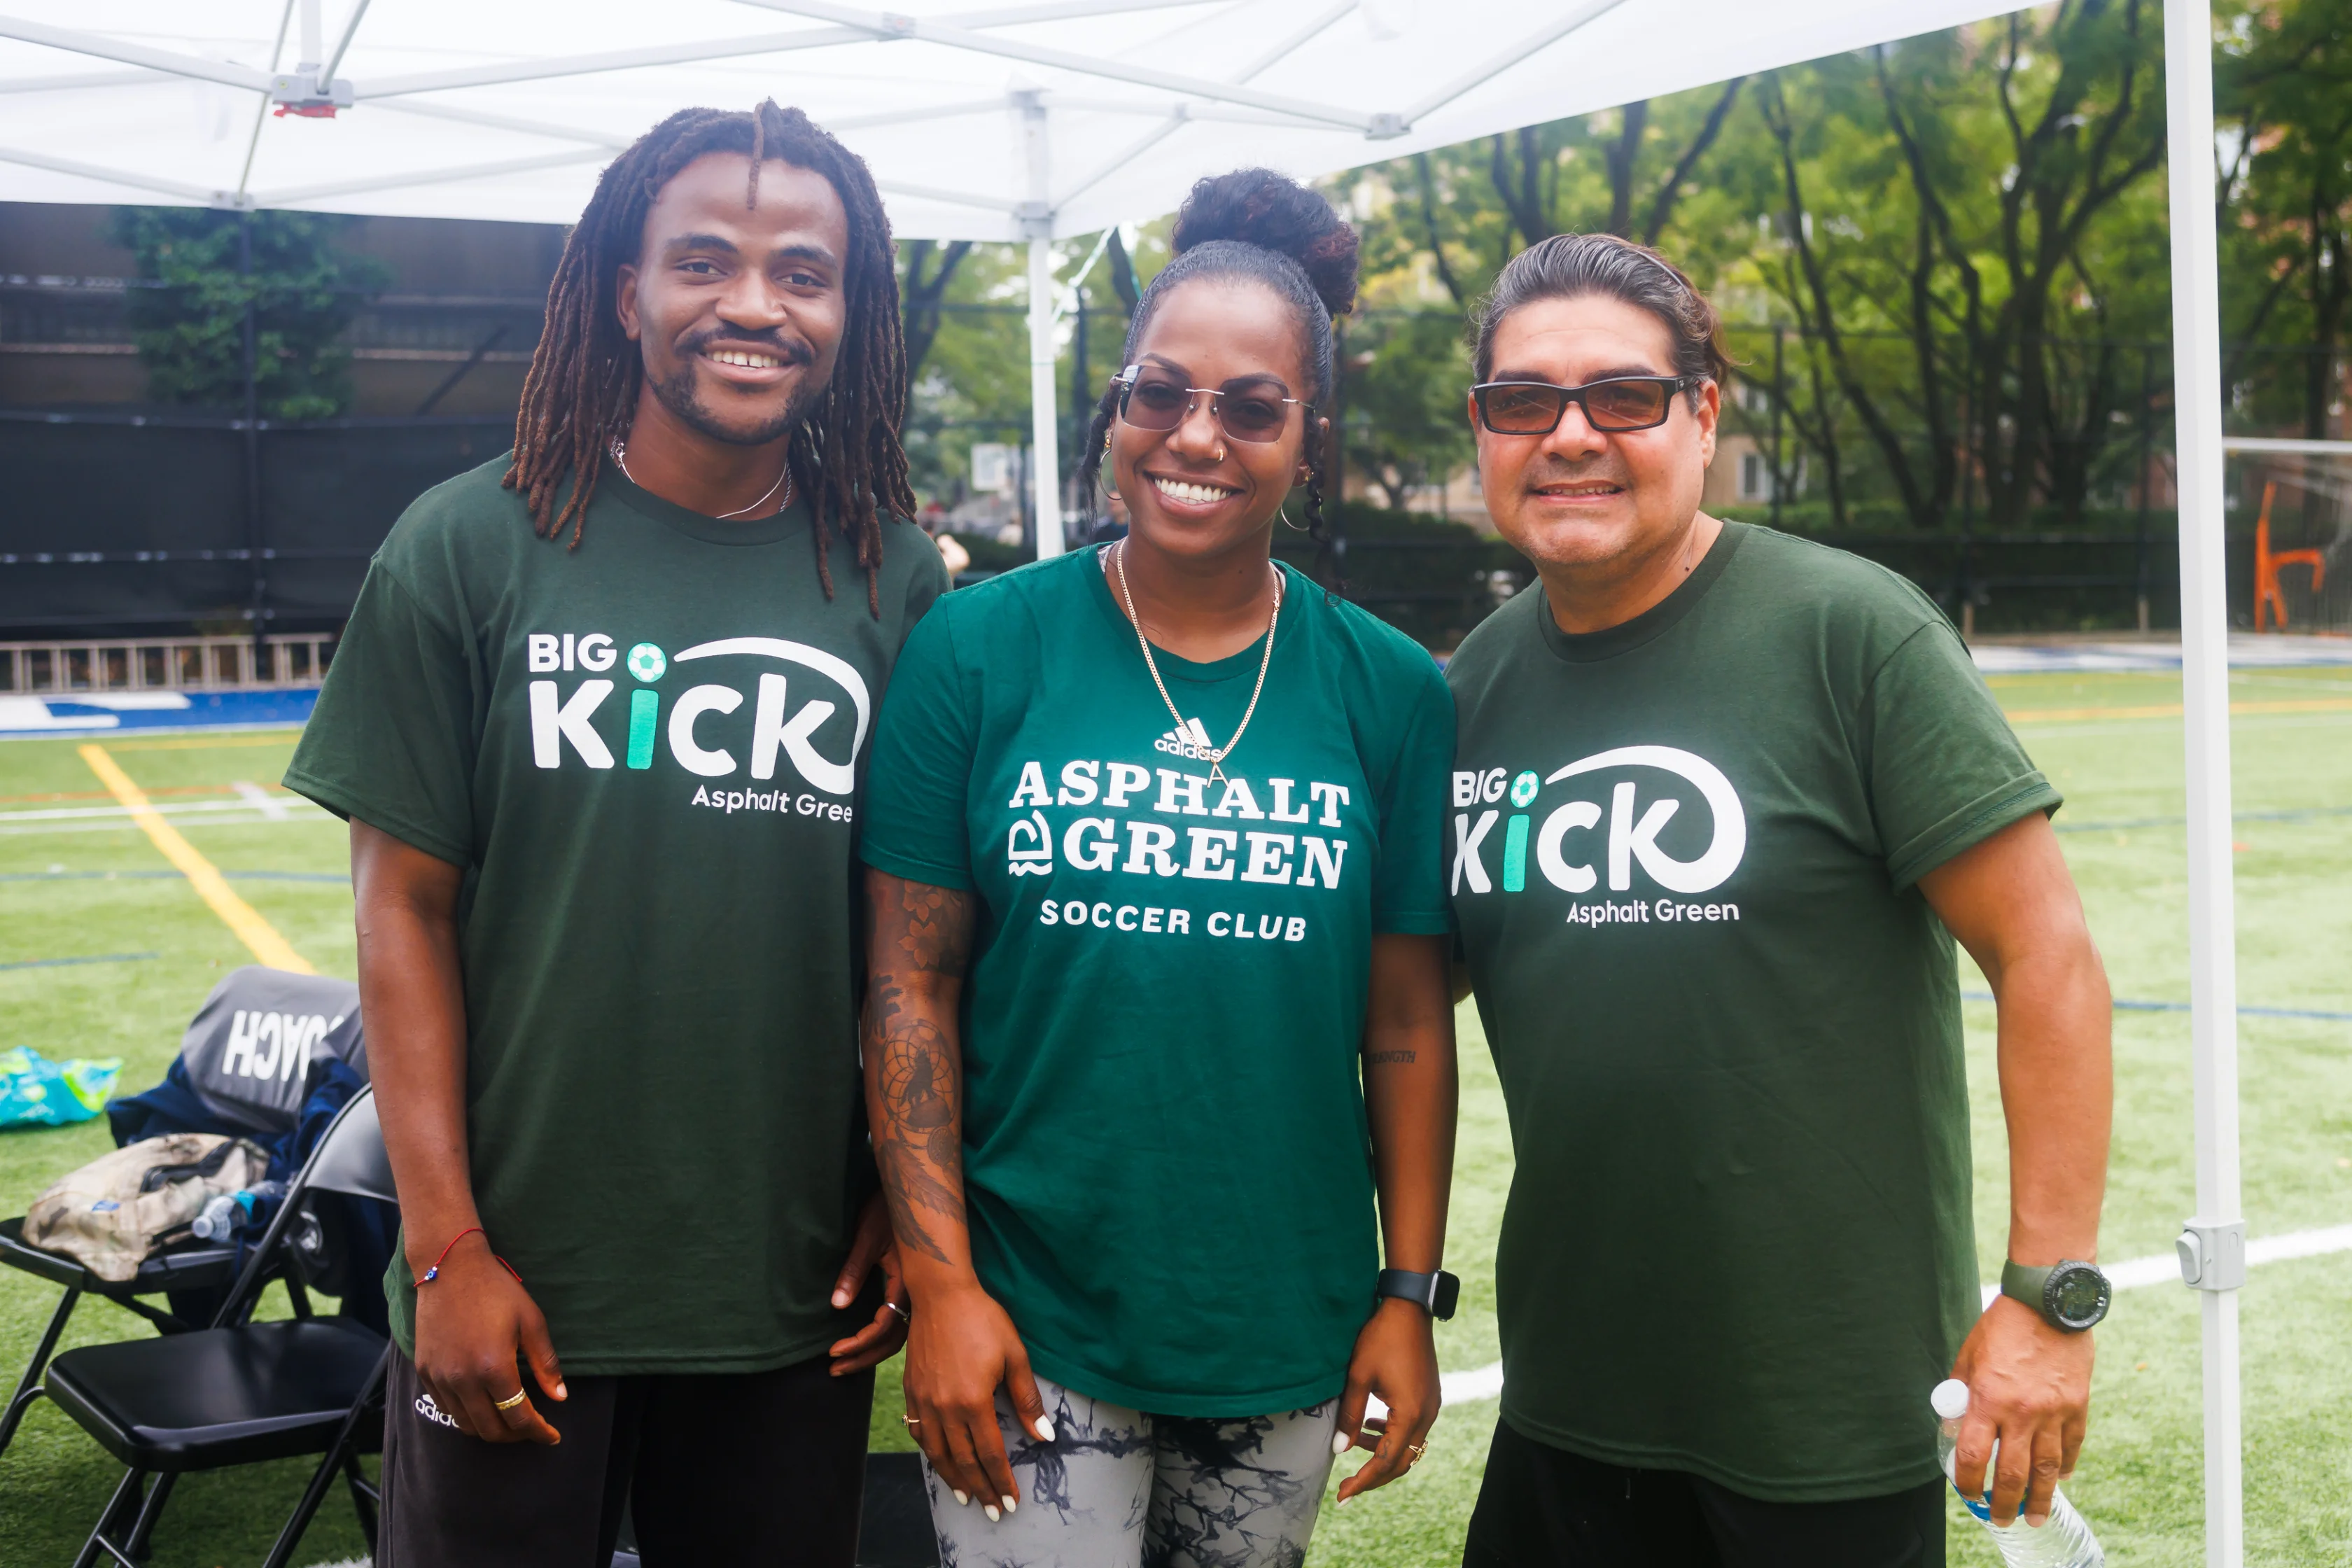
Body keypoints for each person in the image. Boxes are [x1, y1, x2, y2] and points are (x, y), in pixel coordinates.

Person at [283, 102, 948, 1567]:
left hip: (789, 1291)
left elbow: (913, 946)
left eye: (804, 272)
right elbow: (401, 914)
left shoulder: (895, 578)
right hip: (513, 1278)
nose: (754, 304)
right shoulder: (468, 542)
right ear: (623, 288)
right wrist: (445, 1247)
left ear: (853, 312)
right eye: (703, 260)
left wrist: (907, 1205)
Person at [1445, 234, 2113, 1566]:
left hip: (1825, 1410)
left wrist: (2049, 1304)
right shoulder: (1473, 684)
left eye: (1622, 396)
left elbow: (2048, 959)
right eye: (1524, 402)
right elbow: (1397, 998)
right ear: (1484, 434)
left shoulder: (1852, 632)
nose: (1569, 435)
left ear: (1702, 415)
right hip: (1570, 1390)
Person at [855, 169, 1461, 1568]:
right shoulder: (977, 647)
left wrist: (1406, 1292)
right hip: (1029, 1312)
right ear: (1115, 408)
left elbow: (1406, 1024)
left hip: (1285, 1316)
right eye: (1160, 392)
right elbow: (905, 988)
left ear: (1309, 441)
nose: (1197, 434)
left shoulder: (1389, 689)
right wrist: (942, 1285)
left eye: (1252, 406)